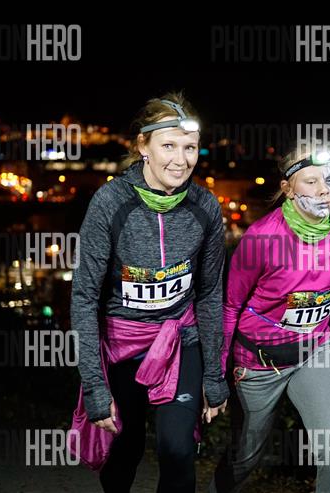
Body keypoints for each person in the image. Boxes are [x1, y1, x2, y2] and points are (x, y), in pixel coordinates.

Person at [70, 92, 228, 493]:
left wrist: (214, 375)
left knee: (177, 450)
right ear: (143, 146)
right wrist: (95, 385)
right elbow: (85, 296)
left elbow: (210, 294)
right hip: (123, 345)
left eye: (189, 148)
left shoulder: (206, 206)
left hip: (181, 341)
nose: (181, 159)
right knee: (125, 450)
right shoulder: (110, 202)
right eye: (168, 146)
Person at [211, 145, 330, 493]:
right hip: (260, 360)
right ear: (288, 188)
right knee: (246, 456)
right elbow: (230, 306)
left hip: (314, 351)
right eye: (311, 181)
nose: (324, 190)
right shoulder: (261, 237)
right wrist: (215, 374)